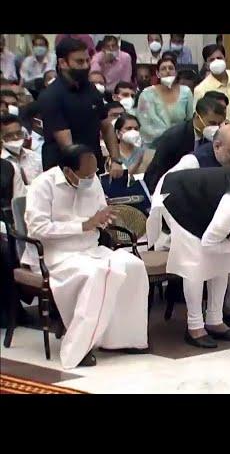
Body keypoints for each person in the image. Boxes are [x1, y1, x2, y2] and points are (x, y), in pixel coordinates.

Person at [23, 144, 148, 368]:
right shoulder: (43, 185)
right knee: (98, 274)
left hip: (92, 249)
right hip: (59, 255)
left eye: (94, 173)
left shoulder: (92, 180)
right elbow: (36, 229)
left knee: (134, 266)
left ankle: (124, 339)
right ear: (69, 171)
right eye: (86, 175)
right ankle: (80, 347)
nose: (92, 179)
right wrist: (83, 225)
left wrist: (104, 218)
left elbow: (99, 212)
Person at [147, 166, 230, 346]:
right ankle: (194, 327)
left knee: (224, 260)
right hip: (178, 197)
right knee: (195, 261)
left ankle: (215, 320)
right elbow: (209, 244)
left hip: (205, 204)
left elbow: (227, 241)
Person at [38, 38, 123, 178]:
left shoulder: (91, 89)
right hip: (64, 170)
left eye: (87, 60)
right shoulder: (51, 96)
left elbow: (106, 126)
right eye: (79, 62)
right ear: (63, 63)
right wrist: (86, 170)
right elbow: (67, 144)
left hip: (93, 164)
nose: (86, 66)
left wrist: (116, 160)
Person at [143, 95, 227, 193]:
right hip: (171, 188)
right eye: (212, 123)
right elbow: (158, 170)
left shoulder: (216, 138)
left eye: (219, 124)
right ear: (197, 117)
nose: (216, 127)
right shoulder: (174, 137)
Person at [137, 57, 194, 148]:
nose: (167, 71)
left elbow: (190, 120)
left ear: (175, 72)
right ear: (158, 74)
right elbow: (145, 124)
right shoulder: (147, 94)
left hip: (180, 144)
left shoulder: (186, 92)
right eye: (163, 69)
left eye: (171, 68)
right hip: (153, 145)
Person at [1, 113, 42, 184]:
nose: (16, 137)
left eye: (18, 133)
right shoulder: (1, 162)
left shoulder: (36, 157)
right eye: (9, 135)